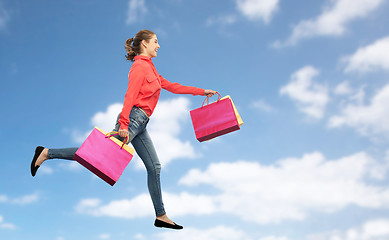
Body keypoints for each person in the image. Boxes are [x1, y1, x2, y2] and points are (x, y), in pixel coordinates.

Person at [30, 29, 217, 230]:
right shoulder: (139, 68)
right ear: (144, 44)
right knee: (95, 154)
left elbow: (172, 86)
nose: (158, 45)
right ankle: (47, 153)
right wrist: (125, 125)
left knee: (155, 167)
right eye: (155, 41)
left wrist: (201, 92)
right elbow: (129, 96)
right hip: (133, 120)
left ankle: (160, 215)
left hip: (142, 124)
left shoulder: (151, 69)